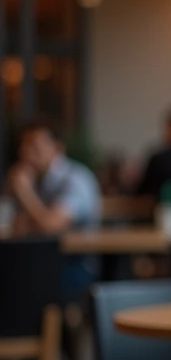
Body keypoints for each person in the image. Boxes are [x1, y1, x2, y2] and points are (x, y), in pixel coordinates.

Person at [6, 119, 101, 298]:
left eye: (33, 146)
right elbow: (17, 224)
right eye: (23, 146)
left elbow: (49, 226)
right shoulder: (31, 178)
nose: (25, 152)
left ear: (57, 149)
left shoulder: (76, 179)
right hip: (35, 261)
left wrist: (24, 192)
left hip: (73, 265)